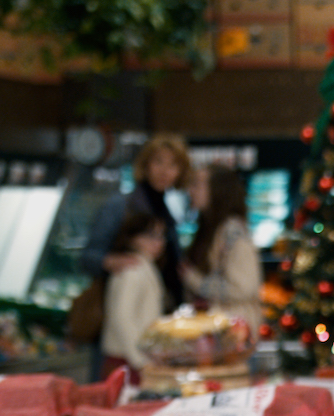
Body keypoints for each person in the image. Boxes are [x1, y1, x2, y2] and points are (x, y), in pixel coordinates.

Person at [83, 133, 191, 313]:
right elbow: (88, 257)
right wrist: (111, 261)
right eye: (158, 162)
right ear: (146, 164)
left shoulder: (167, 214)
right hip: (122, 308)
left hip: (158, 310)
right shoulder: (119, 206)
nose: (164, 171)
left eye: (173, 165)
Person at [185, 164, 265, 328]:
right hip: (221, 331)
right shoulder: (212, 228)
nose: (190, 191)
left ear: (217, 190)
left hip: (232, 334)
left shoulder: (232, 232)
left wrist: (196, 281)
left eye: (197, 185)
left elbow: (244, 288)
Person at [99, 210, 169, 381]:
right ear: (133, 238)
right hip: (127, 361)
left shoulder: (144, 266)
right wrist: (140, 361)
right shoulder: (132, 269)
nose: (158, 242)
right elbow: (121, 316)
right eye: (151, 235)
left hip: (134, 357)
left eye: (161, 236)